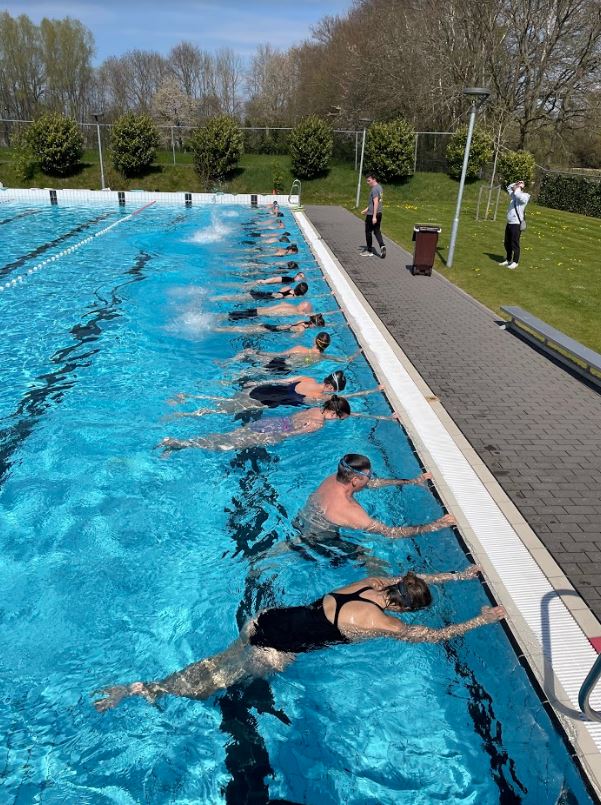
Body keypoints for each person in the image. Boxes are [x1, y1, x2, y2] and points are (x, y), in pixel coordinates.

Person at [93, 565, 505, 711]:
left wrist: (457, 576)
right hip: (276, 651)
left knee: (219, 661)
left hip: (266, 619)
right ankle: (140, 690)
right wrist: (480, 621)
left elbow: (414, 579)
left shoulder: (373, 583)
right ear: (404, 608)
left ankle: (145, 687)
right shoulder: (386, 623)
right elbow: (435, 637)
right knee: (213, 682)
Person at [296, 453, 453, 539]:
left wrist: (410, 481)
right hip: (318, 542)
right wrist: (435, 525)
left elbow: (374, 484)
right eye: (368, 476)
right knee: (376, 563)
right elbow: (392, 533)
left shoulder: (334, 478)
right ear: (355, 480)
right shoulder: (351, 511)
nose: (371, 479)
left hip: (301, 524)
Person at [159, 395, 353, 454]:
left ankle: (181, 444)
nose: (337, 421)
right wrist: (274, 440)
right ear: (334, 413)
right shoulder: (318, 424)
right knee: (227, 445)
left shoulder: (314, 409)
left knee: (230, 437)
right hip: (276, 431)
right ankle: (179, 444)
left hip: (271, 422)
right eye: (339, 418)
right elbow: (290, 434)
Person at [168, 371, 381, 416]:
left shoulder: (307, 378)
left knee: (224, 401)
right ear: (332, 389)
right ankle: (184, 415)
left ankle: (188, 397)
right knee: (222, 410)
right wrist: (371, 391)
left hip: (263, 389)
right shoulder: (321, 398)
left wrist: (256, 382)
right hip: (266, 401)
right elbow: (342, 404)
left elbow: (279, 380)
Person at [499, 180, 530, 270]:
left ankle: (515, 262)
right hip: (509, 222)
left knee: (514, 243)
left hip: (516, 224)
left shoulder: (525, 196)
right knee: (507, 243)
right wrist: (516, 184)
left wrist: (519, 187)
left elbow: (518, 195)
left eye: (519, 186)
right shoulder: (515, 196)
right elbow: (509, 187)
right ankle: (508, 259)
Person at [215, 313, 326, 336]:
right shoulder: (301, 329)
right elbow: (293, 338)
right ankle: (217, 329)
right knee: (239, 330)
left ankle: (218, 327)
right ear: (314, 325)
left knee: (239, 328)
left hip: (268, 325)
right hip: (268, 330)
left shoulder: (302, 321)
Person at [360, 173, 386, 259]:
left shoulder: (374, 189)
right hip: (379, 213)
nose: (368, 182)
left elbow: (376, 203)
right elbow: (373, 202)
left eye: (369, 180)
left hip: (372, 214)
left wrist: (373, 216)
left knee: (368, 231)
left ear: (374, 179)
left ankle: (369, 250)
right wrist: (366, 209)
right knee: (377, 231)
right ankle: (382, 246)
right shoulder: (380, 187)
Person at [212, 282, 309, 303]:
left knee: (236, 297)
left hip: (266, 293)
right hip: (266, 298)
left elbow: (280, 291)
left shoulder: (288, 287)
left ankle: (215, 298)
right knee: (237, 299)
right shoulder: (292, 297)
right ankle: (214, 299)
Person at [226, 300, 313, 321]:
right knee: (232, 317)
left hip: (258, 309)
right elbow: (306, 315)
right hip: (258, 314)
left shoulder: (288, 304)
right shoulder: (296, 312)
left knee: (232, 314)